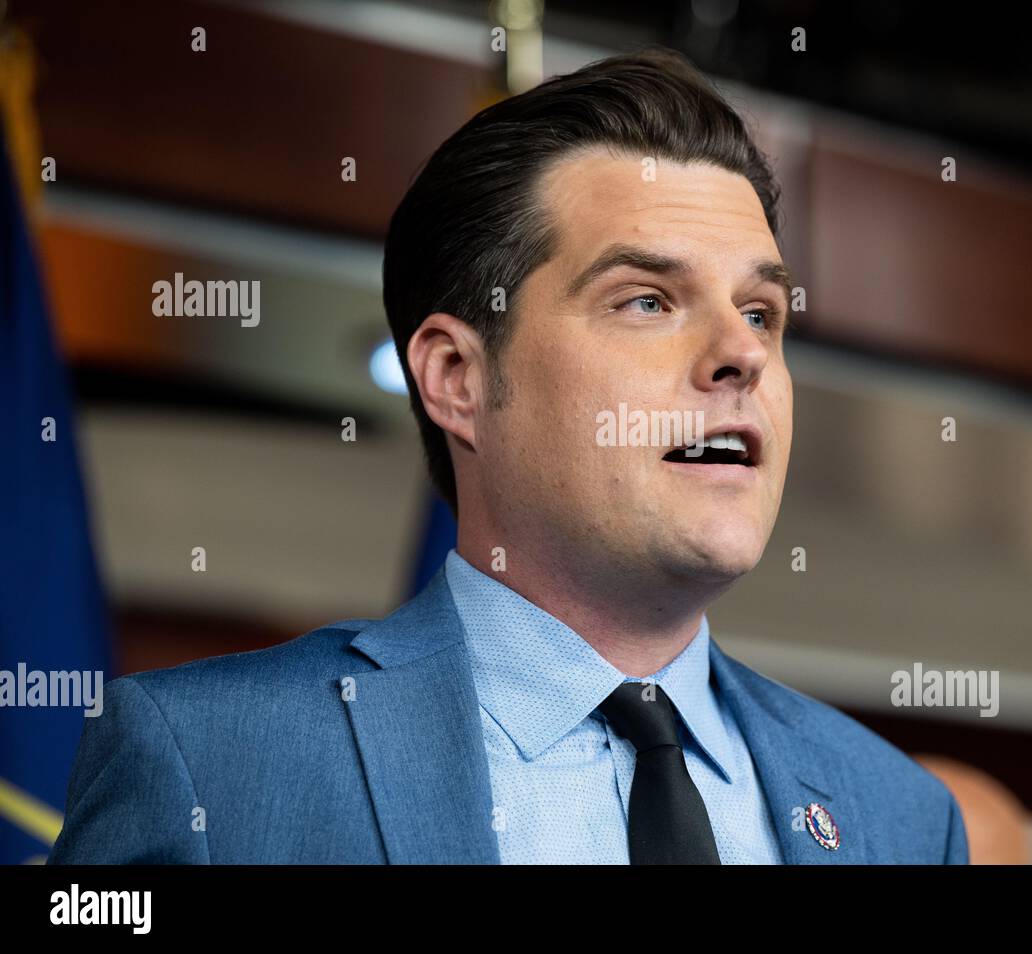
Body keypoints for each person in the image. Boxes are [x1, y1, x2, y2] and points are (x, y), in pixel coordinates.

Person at [49, 47, 967, 865]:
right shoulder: (210, 764)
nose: (745, 352)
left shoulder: (900, 819)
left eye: (762, 310)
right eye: (647, 300)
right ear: (456, 377)